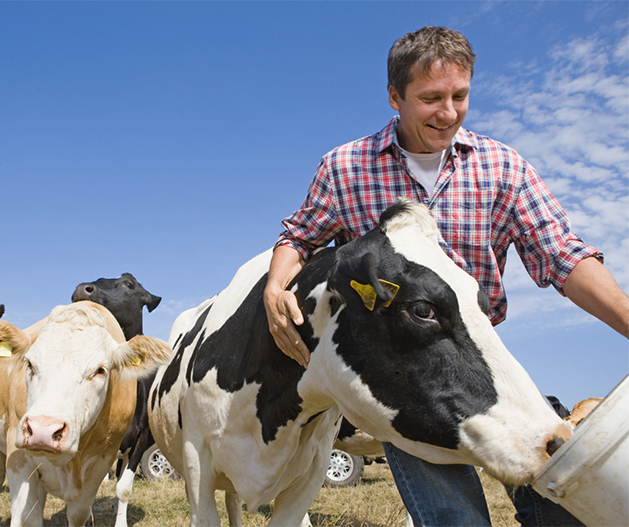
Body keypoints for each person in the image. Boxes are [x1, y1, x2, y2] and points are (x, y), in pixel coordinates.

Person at [262, 25, 629, 527]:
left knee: (558, 484)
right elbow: (298, 238)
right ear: (395, 97)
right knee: (455, 517)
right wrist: (276, 286)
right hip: (403, 370)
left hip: (481, 353)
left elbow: (563, 256)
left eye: (460, 96)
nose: (449, 112)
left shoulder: (502, 167)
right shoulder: (344, 168)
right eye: (431, 98)